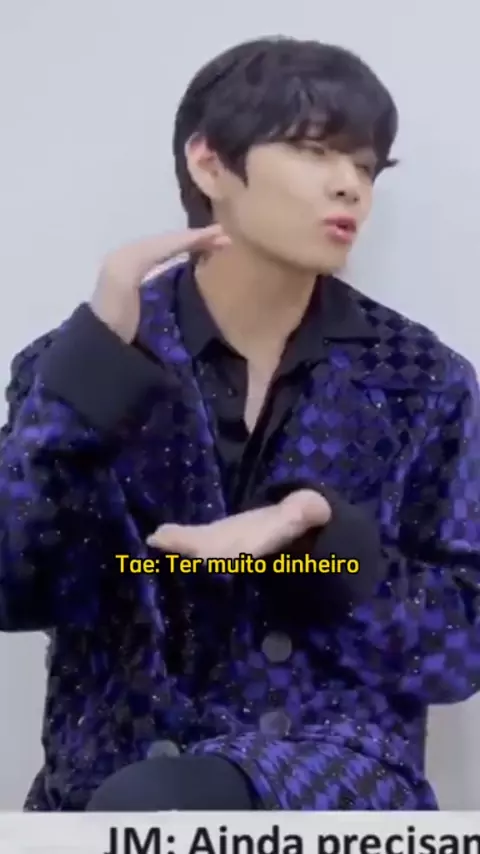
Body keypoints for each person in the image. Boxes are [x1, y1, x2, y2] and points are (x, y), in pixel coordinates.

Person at [1, 35, 480, 813]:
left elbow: (459, 647)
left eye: (365, 166)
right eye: (314, 150)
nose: (349, 185)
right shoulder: (75, 363)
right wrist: (89, 376)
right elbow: (15, 586)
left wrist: (320, 540)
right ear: (209, 163)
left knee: (165, 800)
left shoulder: (422, 381)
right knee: (145, 803)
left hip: (334, 781)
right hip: (107, 797)